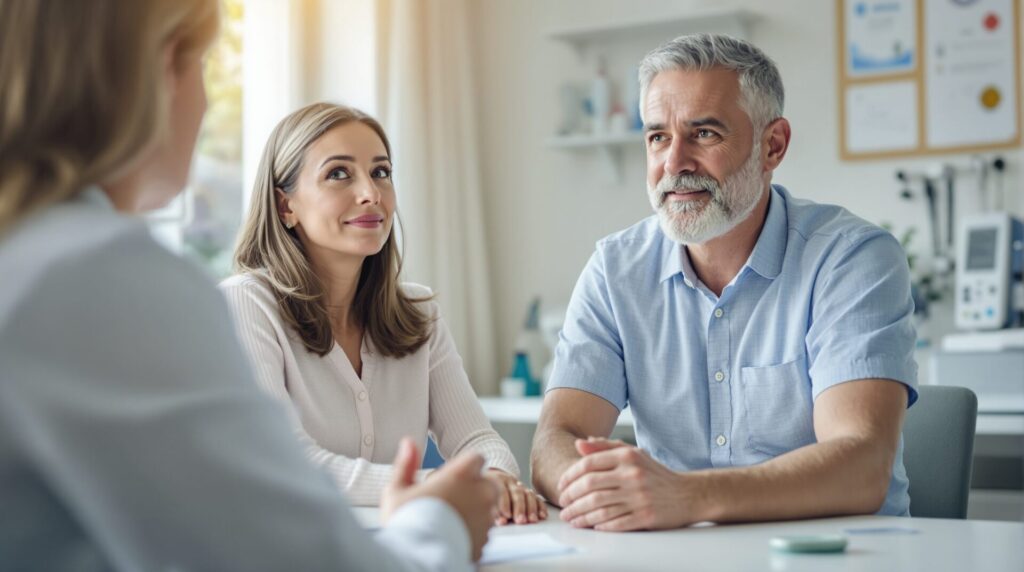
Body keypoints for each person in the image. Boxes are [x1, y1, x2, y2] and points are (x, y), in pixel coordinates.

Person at [0, 1, 497, 569]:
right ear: (163, 69)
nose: (371, 193)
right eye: (206, 66)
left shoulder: (33, 256)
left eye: (381, 172)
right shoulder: (96, 276)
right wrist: (438, 519)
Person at [531, 33, 918, 532]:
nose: (673, 164)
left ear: (772, 145)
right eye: (657, 138)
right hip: (680, 555)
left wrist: (684, 496)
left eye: (704, 134)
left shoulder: (852, 259)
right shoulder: (614, 270)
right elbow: (555, 439)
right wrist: (600, 490)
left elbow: (862, 468)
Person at [220, 102, 546, 526]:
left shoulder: (418, 313)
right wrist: (433, 488)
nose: (371, 193)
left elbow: (475, 438)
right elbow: (287, 459)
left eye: (381, 172)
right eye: (339, 173)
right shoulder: (247, 304)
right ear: (286, 207)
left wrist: (497, 477)